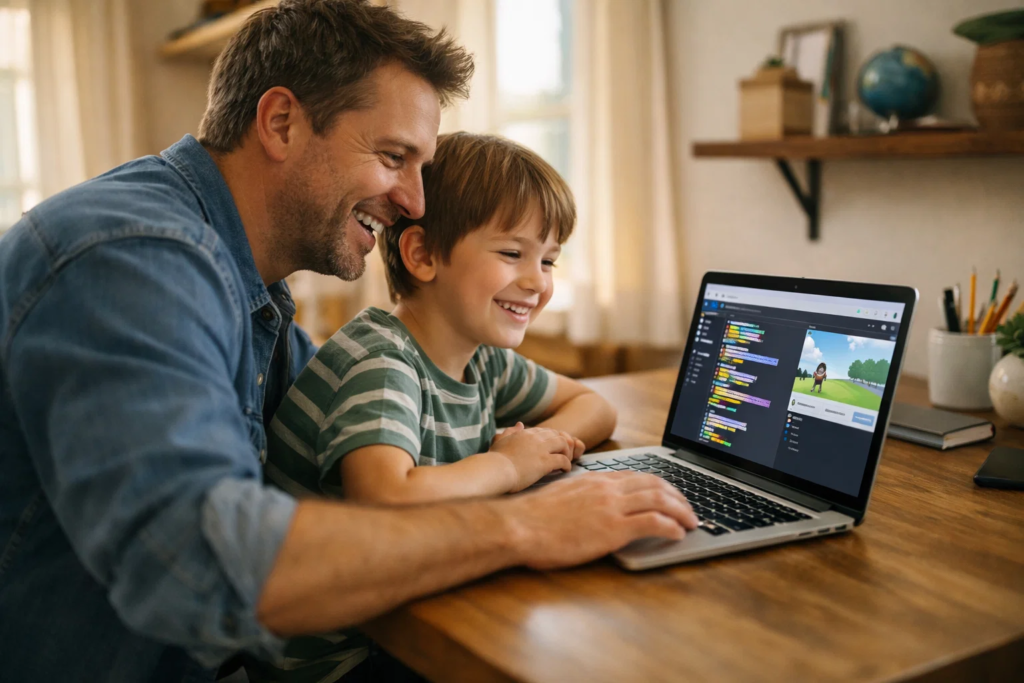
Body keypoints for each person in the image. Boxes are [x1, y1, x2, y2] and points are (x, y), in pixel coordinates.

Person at [0, 2, 697, 681]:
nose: (417, 203)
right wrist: (524, 526)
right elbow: (206, 560)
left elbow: (343, 425)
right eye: (395, 156)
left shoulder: (244, 283)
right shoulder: (135, 259)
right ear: (281, 122)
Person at [254, 132, 616, 680]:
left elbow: (594, 406)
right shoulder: (383, 360)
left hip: (400, 610)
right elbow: (385, 496)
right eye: (512, 253)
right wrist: (508, 466)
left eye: (549, 261)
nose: (536, 282)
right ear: (422, 255)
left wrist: (542, 446)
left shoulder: (481, 359)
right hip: (340, 658)